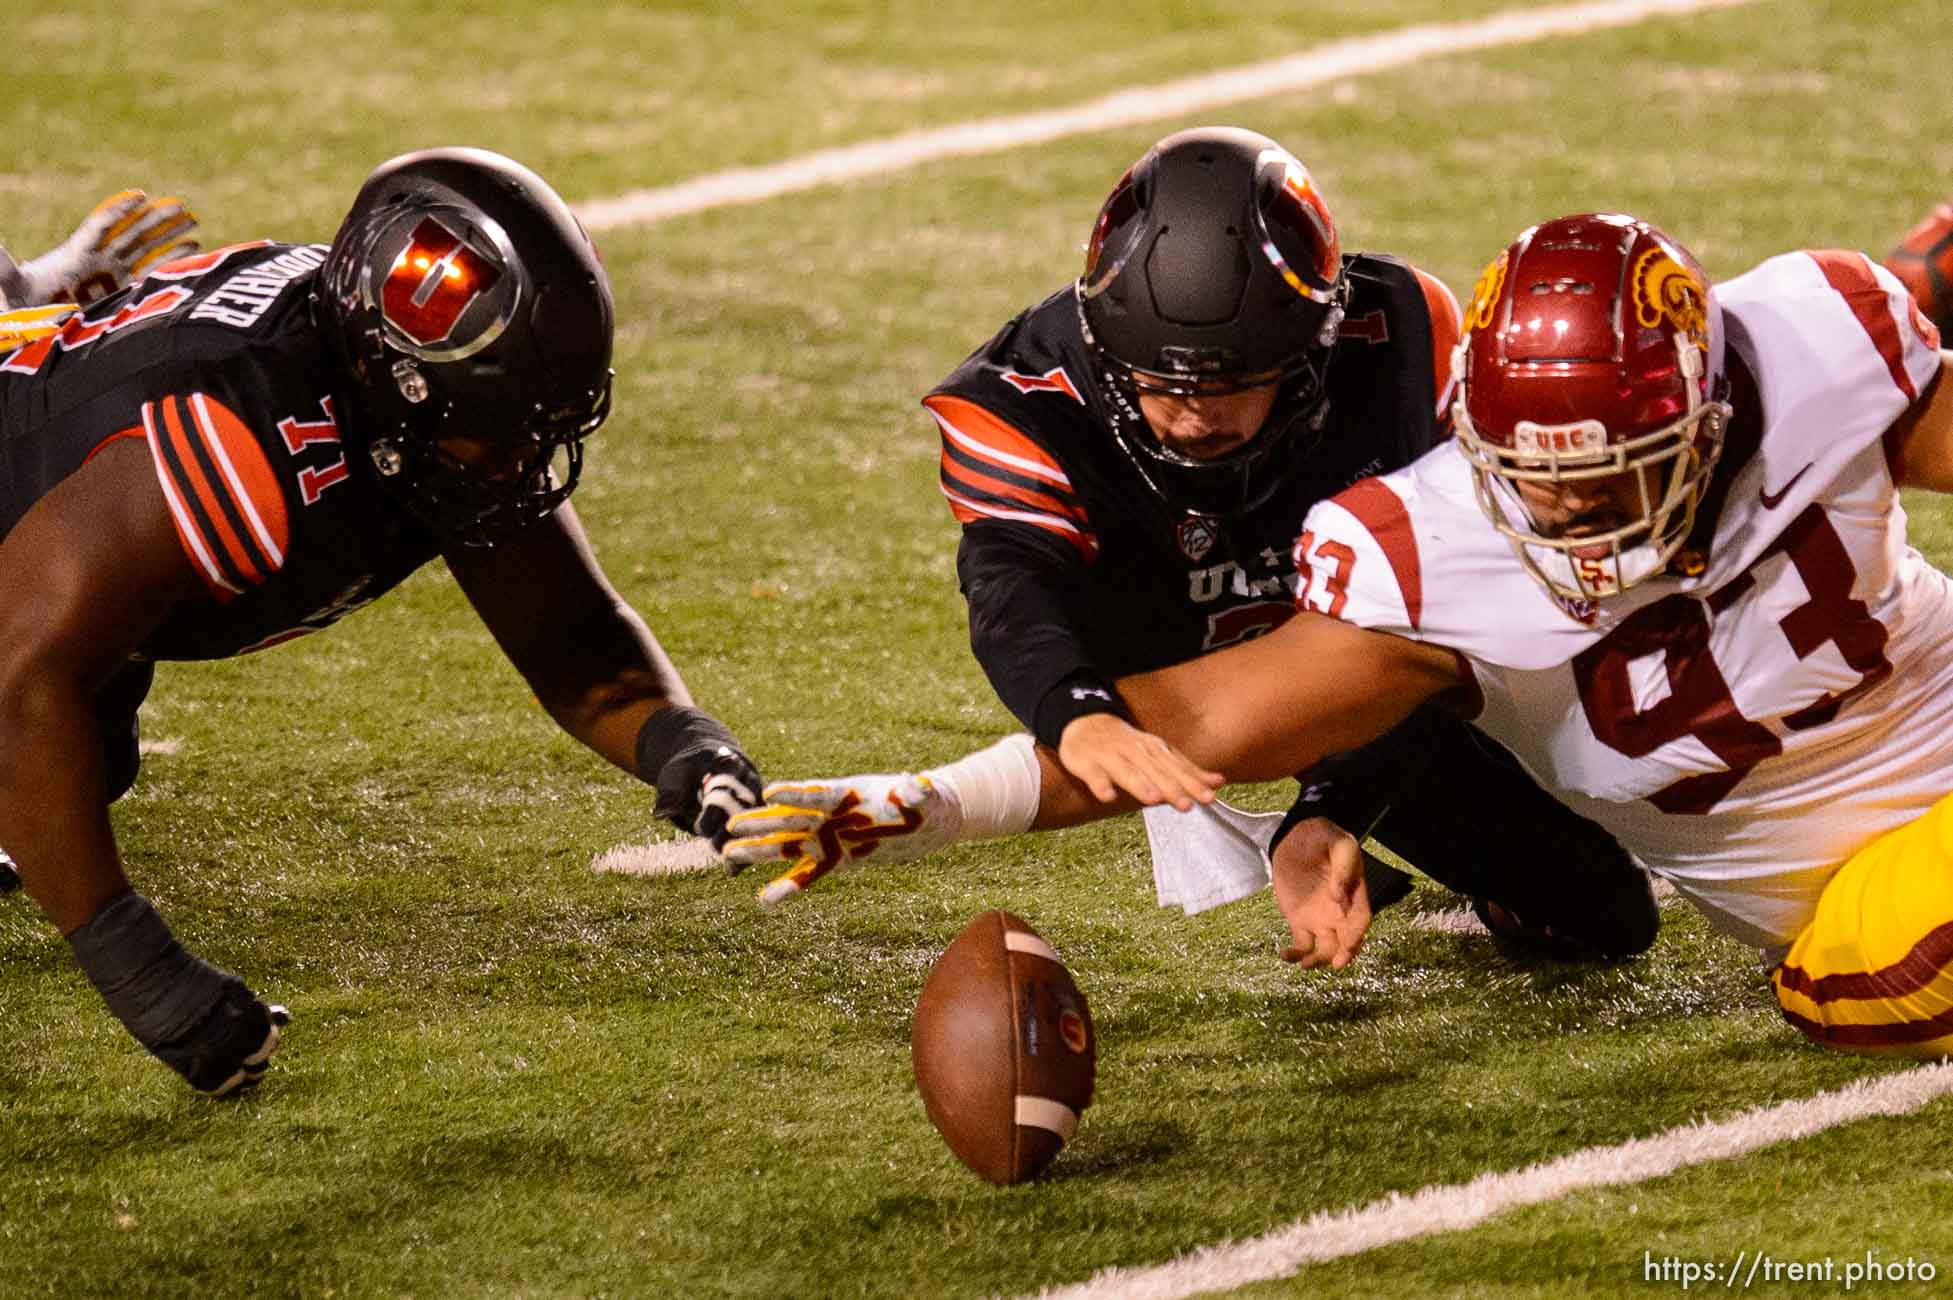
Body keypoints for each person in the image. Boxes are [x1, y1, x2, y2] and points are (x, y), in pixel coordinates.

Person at [727, 211, 1953, 1059]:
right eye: (1530, 476)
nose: (1568, 510)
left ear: (1708, 407)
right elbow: (1200, 723)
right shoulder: (1437, 549)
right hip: (1870, 898)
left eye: (1612, 474)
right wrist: (929, 800)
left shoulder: (1815, 347)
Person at [0, 148, 762, 1095]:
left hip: (46, 491)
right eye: (505, 424)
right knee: (53, 733)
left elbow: (571, 637)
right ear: (395, 381)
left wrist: (685, 748)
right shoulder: (244, 441)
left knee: (87, 738)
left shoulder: (420, 401)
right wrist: (140, 970)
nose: (523, 456)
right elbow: (17, 680)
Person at [920, 126, 1657, 955]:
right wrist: (1075, 713)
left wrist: (1333, 806)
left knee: (1602, 917)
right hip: (1177, 668)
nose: (1196, 415)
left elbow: (1446, 616)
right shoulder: (1024, 398)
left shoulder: (1403, 338)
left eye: (1234, 382)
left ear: (1312, 347)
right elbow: (1011, 590)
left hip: (1363, 653)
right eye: (1161, 384)